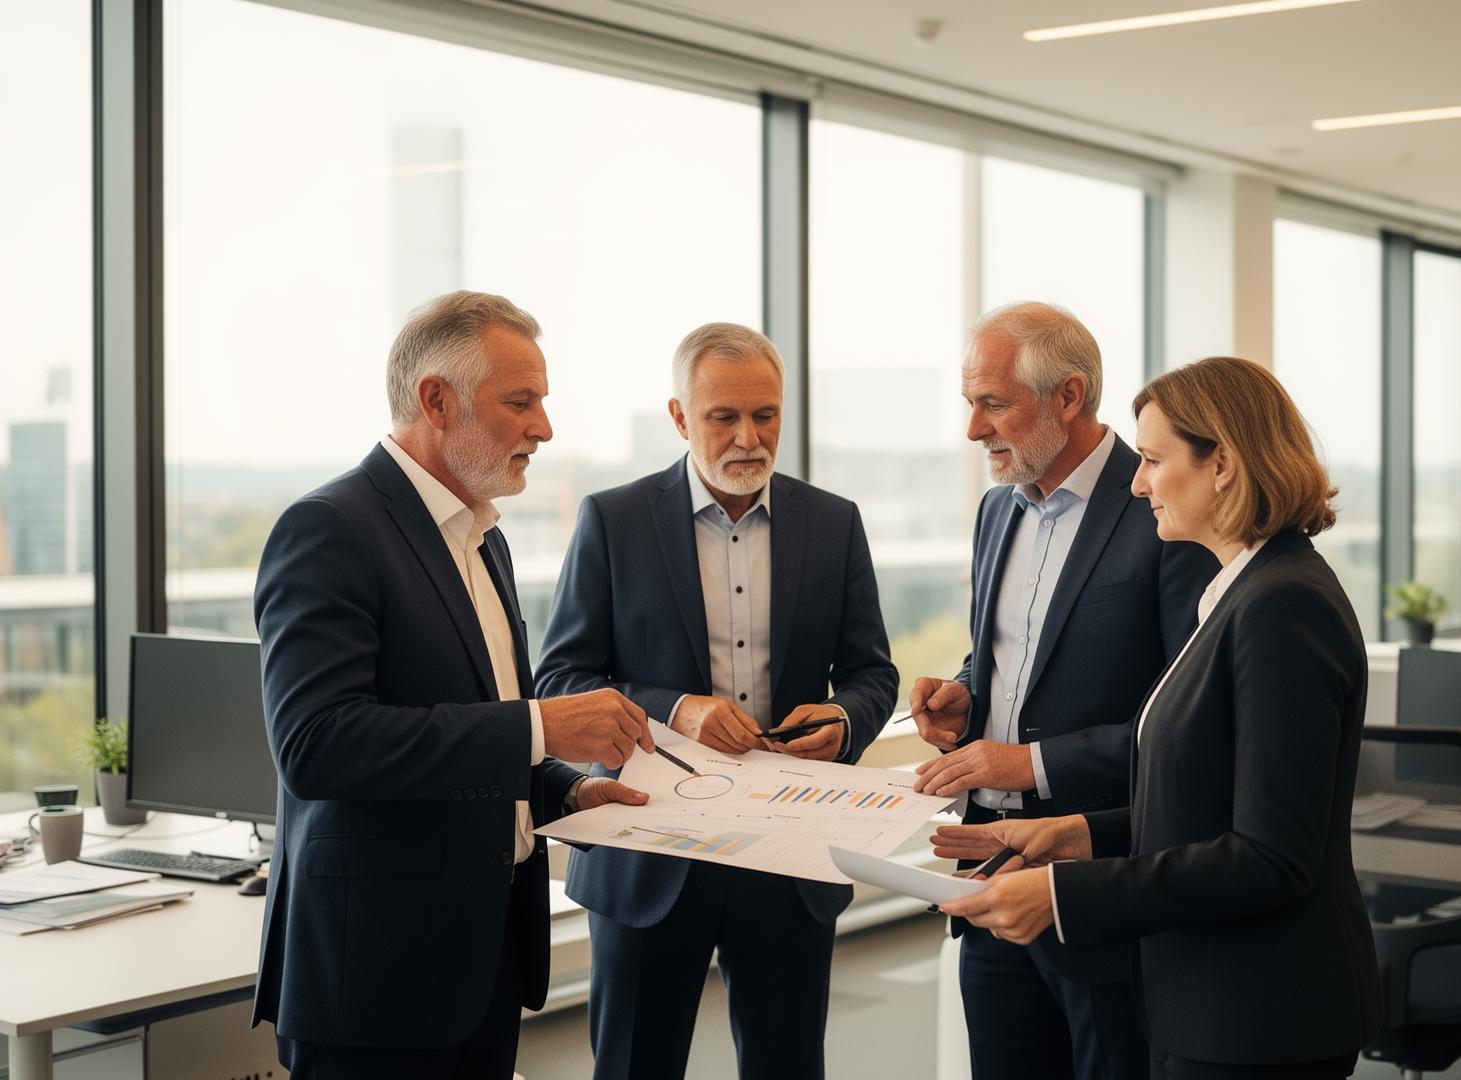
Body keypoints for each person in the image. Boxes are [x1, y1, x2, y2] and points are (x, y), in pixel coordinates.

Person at [936, 355, 1384, 1080]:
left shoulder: (1282, 606)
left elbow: (1270, 858)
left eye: (1150, 459)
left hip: (1257, 1015)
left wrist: (1058, 893)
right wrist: (1075, 834)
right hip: (1209, 998)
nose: (1138, 482)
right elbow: (1203, 805)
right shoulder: (1238, 594)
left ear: (1223, 465)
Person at [252, 290, 657, 1079]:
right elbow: (316, 744)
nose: (544, 427)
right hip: (374, 980)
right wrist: (542, 728)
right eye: (521, 401)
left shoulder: (484, 539)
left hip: (483, 966)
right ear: (436, 400)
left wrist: (566, 792)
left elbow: (472, 734)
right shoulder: (330, 528)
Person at [536, 322, 898, 1080]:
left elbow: (872, 675)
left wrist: (842, 719)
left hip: (791, 857)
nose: (747, 437)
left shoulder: (835, 523)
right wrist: (676, 709)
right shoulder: (613, 520)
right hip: (649, 855)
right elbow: (561, 681)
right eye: (722, 417)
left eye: (764, 415)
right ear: (679, 418)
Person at [907, 302, 1213, 1080]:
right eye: (968, 402)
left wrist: (1026, 765)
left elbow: (1187, 722)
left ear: (1068, 398)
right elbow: (1006, 656)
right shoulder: (994, 509)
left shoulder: (1166, 508)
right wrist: (966, 696)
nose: (973, 428)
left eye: (993, 403)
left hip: (1102, 879)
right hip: (987, 875)